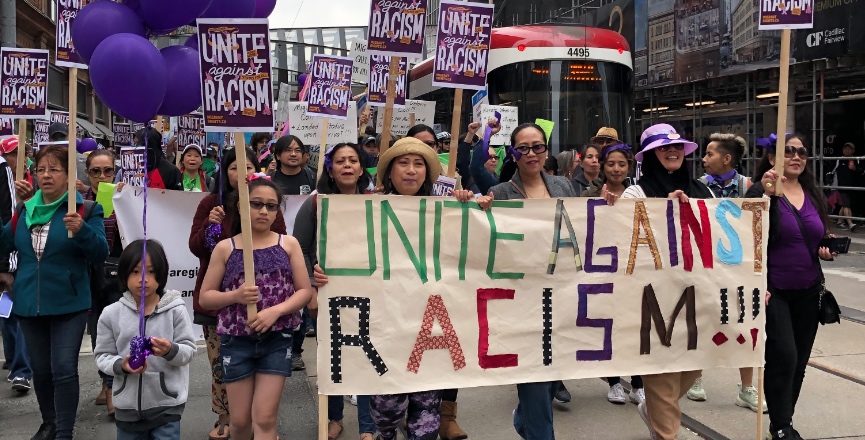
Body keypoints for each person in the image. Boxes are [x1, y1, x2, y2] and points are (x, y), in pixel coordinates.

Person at [323, 137, 487, 440]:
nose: (411, 171)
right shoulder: (367, 210)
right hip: (386, 333)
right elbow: (347, 254)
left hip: (431, 334)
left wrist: (475, 209)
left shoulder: (447, 209)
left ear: (427, 173)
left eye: (418, 164)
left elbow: (473, 253)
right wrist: (326, 272)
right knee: (387, 417)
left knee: (425, 419)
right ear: (390, 171)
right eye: (403, 163)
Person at [611, 124, 712, 440]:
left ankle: (654, 409)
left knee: (694, 366)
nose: (673, 151)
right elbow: (623, 241)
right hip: (653, 304)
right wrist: (662, 212)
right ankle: (664, 427)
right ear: (650, 155)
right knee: (664, 381)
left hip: (696, 301)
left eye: (678, 146)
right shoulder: (635, 194)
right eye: (663, 147)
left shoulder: (702, 191)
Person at [1, 145, 109, 440]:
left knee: (63, 368)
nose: (46, 175)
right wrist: (14, 209)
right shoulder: (25, 209)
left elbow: (100, 252)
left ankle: (64, 431)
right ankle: (49, 422)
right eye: (40, 170)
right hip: (28, 305)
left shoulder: (85, 209)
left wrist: (83, 230)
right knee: (41, 370)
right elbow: (3, 245)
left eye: (54, 170)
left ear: (67, 176)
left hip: (68, 303)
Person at [199, 177, 314, 440]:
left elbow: (304, 291)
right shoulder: (225, 248)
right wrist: (235, 296)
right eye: (257, 204)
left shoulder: (289, 244)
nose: (264, 211)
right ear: (240, 206)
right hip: (236, 340)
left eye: (271, 206)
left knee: (264, 418)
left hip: (277, 338)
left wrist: (276, 311)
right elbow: (206, 298)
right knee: (239, 422)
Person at [487, 123, 578, 440]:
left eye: (537, 146)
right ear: (513, 153)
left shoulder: (564, 187)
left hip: (560, 296)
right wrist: (474, 207)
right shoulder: (500, 194)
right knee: (535, 373)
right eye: (522, 148)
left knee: (552, 369)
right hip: (521, 299)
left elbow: (581, 228)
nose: (531, 153)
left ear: (546, 150)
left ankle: (525, 418)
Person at [189, 147, 287, 440]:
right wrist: (212, 225)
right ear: (224, 172)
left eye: (247, 167)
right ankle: (226, 417)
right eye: (234, 167)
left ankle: (264, 422)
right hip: (219, 308)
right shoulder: (211, 204)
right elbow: (197, 248)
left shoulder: (267, 206)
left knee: (267, 372)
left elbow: (279, 242)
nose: (241, 173)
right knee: (223, 367)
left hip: (264, 308)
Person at [745, 134, 836, 440]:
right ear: (772, 158)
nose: (796, 156)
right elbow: (748, 236)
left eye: (801, 152)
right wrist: (765, 193)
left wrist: (826, 248)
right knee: (784, 355)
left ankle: (785, 418)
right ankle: (781, 426)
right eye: (788, 152)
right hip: (775, 290)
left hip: (809, 288)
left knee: (799, 360)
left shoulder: (812, 192)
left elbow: (816, 235)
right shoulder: (762, 190)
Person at [293, 143, 377, 440]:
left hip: (369, 294)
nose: (347, 166)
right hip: (327, 294)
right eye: (340, 161)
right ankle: (335, 417)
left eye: (353, 160)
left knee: (367, 356)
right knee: (333, 358)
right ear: (330, 168)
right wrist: (311, 290)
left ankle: (368, 426)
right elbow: (300, 249)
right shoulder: (315, 203)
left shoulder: (375, 202)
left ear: (361, 167)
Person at [689, 133, 765, 412]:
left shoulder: (749, 186)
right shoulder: (698, 186)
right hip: (706, 266)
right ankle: (695, 378)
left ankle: (747, 387)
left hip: (740, 269)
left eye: (709, 154)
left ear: (727, 158)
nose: (704, 159)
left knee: (746, 323)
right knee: (702, 320)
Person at [94, 239, 197, 440]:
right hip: (126, 407)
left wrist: (170, 350)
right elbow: (102, 355)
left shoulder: (175, 310)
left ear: (162, 273)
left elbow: (189, 350)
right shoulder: (111, 314)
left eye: (150, 271)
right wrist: (121, 365)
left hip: (167, 406)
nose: (143, 278)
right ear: (123, 274)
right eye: (135, 271)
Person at [579, 142, 647, 406]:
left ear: (629, 166)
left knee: (635, 326)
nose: (616, 169)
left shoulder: (639, 193)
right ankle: (614, 382)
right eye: (611, 163)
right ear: (603, 167)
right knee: (610, 326)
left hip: (633, 268)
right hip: (604, 269)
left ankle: (638, 383)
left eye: (622, 164)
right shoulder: (588, 194)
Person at [82, 149, 124, 415]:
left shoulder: (122, 197)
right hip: (86, 276)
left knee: (117, 332)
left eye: (107, 170)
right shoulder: (79, 200)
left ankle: (112, 386)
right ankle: (106, 383)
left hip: (116, 275)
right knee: (98, 333)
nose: (102, 176)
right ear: (87, 174)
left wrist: (126, 203)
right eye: (95, 171)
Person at [0, 137, 31, 395]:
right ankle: (12, 359)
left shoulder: (9, 175)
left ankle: (22, 370)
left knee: (17, 311)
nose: (19, 158)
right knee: (6, 313)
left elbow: (11, 215)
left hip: (10, 259)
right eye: (14, 153)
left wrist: (7, 264)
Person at [832, 142, 863, 231]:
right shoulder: (839, 160)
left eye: (849, 149)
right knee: (846, 205)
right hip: (842, 186)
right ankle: (850, 223)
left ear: (853, 150)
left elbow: (861, 172)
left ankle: (839, 222)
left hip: (853, 187)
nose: (847, 150)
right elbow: (832, 171)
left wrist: (854, 169)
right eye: (845, 148)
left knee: (845, 205)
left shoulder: (855, 160)